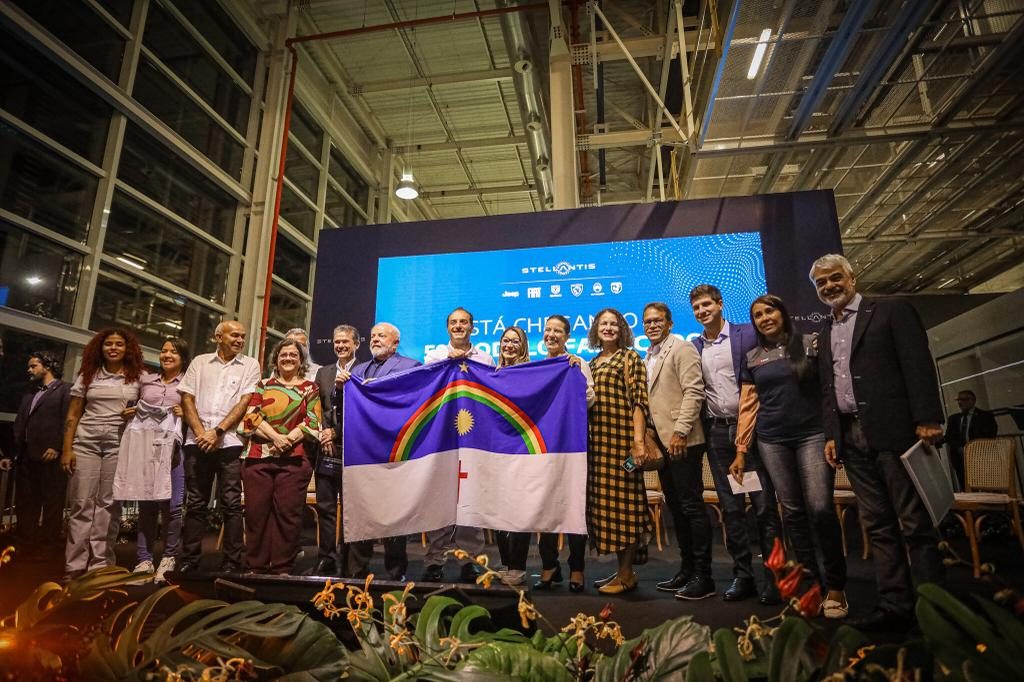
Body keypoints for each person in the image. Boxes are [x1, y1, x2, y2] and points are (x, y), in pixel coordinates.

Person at [812, 253, 946, 630]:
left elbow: (917, 363)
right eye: (821, 283)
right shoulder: (825, 330)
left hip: (895, 432)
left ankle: (935, 609)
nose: (829, 286)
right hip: (851, 438)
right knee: (878, 525)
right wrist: (832, 434)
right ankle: (894, 605)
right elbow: (828, 388)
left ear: (851, 277)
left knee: (914, 524)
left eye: (834, 278)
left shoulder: (890, 311)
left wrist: (927, 417)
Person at [734, 295, 848, 618]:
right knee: (793, 513)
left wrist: (833, 434)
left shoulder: (811, 343)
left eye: (769, 311)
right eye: (758, 315)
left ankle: (836, 586)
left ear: (782, 313)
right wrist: (741, 449)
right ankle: (810, 585)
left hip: (812, 435)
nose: (764, 318)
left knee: (820, 508)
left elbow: (828, 392)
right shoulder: (752, 357)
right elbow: (748, 406)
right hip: (771, 440)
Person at [690, 284, 781, 603]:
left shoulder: (748, 334)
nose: (702, 311)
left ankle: (774, 577)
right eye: (697, 307)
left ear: (720, 304)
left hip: (752, 433)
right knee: (731, 509)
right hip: (717, 434)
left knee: (763, 507)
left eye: (706, 305)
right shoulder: (695, 345)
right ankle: (743, 576)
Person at [640, 303, 713, 601]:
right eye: (647, 321)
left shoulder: (682, 349)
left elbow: (694, 392)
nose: (652, 325)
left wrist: (681, 432)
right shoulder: (648, 355)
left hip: (683, 440)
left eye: (658, 320)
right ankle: (686, 569)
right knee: (677, 506)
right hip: (662, 442)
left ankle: (704, 576)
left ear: (670, 323)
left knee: (692, 506)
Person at [177, 321, 261, 573]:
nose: (239, 340)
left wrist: (217, 432)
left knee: (231, 504)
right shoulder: (200, 362)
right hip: (197, 442)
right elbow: (186, 397)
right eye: (234, 335)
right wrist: (201, 433)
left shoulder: (250, 365)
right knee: (196, 503)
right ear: (218, 337)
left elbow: (245, 402)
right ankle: (189, 560)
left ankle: (233, 562)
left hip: (230, 443)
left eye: (243, 336)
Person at [61, 329, 144, 581]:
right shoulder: (88, 375)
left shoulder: (137, 378)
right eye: (109, 344)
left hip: (118, 444)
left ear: (127, 349)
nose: (113, 348)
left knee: (109, 505)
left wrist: (137, 412)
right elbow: (73, 414)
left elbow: (151, 407)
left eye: (119, 344)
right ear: (101, 347)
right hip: (85, 443)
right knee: (81, 504)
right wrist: (67, 449)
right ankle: (74, 565)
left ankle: (101, 565)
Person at [422, 308, 493, 582]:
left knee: (470, 501)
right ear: (447, 327)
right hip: (442, 437)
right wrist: (445, 363)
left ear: (472, 327)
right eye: (454, 322)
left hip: (474, 438)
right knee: (439, 501)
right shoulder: (434, 357)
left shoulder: (485, 359)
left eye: (464, 322)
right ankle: (434, 561)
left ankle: (470, 562)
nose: (458, 326)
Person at [239, 338, 321, 574]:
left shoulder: (310, 388)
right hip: (258, 459)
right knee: (256, 513)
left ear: (301, 361)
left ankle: (282, 566)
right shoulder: (263, 385)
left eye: (293, 355)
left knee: (288, 514)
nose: (288, 358)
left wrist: (287, 440)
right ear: (275, 359)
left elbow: (312, 422)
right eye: (283, 354)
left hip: (295, 460)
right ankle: (256, 565)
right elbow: (250, 418)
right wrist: (276, 438)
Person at [587, 308, 653, 595]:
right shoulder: (591, 363)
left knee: (627, 508)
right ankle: (622, 571)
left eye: (614, 324)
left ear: (622, 329)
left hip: (624, 447)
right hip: (599, 449)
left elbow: (639, 402)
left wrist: (638, 442)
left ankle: (626, 574)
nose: (608, 328)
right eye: (603, 324)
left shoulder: (630, 358)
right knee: (608, 511)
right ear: (596, 329)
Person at [348, 322, 421, 580]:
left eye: (381, 335)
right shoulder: (357, 370)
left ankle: (395, 571)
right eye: (373, 336)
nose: (375, 339)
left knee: (394, 512)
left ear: (395, 342)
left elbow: (415, 402)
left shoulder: (411, 366)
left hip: (394, 448)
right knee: (361, 510)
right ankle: (357, 570)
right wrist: (340, 389)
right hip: (362, 450)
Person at [121, 338, 190, 583]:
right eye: (164, 350)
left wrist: (186, 414)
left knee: (173, 506)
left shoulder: (188, 383)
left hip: (173, 451)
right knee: (147, 504)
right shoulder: (146, 381)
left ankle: (169, 557)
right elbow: (130, 406)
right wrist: (129, 412)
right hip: (146, 449)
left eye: (174, 352)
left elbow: (197, 414)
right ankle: (144, 559)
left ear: (183, 357)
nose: (167, 355)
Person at [536, 315, 594, 592]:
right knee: (544, 506)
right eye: (548, 330)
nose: (551, 334)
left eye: (557, 330)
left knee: (573, 506)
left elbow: (591, 399)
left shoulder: (578, 363)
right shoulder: (536, 367)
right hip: (542, 448)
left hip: (572, 446)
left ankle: (577, 569)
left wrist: (576, 378)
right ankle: (549, 566)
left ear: (567, 336)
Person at [309, 324, 360, 576]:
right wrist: (323, 433)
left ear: (356, 344)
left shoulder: (364, 371)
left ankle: (348, 559)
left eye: (345, 342)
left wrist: (336, 432)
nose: (340, 346)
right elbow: (317, 408)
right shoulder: (323, 373)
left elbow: (361, 411)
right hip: (326, 448)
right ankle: (326, 558)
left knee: (351, 509)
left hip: (354, 449)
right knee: (326, 506)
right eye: (337, 342)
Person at [9, 351, 71, 560]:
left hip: (50, 455)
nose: (29, 370)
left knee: (52, 503)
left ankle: (49, 546)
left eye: (33, 366)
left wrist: (57, 446)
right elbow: (20, 421)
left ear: (48, 366)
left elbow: (68, 420)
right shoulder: (30, 392)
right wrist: (13, 452)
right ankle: (26, 544)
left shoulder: (65, 390)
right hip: (26, 456)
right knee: (26, 502)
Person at [493, 326, 534, 586]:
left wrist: (569, 363)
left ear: (524, 346)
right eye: (505, 340)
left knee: (519, 509)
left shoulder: (531, 373)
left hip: (522, 449)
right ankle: (506, 562)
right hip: (495, 450)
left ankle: (518, 566)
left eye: (515, 341)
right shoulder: (491, 374)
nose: (509, 345)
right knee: (497, 508)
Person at [944, 389, 998, 489]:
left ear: (972, 400)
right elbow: (949, 437)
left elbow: (990, 434)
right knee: (964, 485)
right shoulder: (953, 418)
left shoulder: (985, 416)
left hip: (980, 456)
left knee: (985, 484)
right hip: (960, 459)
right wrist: (959, 448)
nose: (960, 402)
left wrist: (973, 448)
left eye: (964, 399)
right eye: (959, 400)